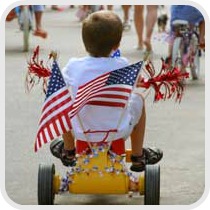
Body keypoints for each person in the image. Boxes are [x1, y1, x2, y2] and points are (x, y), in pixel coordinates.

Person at [50, 10, 163, 172]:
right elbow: (139, 84)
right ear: (116, 45)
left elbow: (59, 83)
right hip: (117, 132)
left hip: (81, 132)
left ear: (85, 43)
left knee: (62, 100)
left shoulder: (74, 65)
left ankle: (68, 151)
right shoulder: (122, 65)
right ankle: (138, 156)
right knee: (139, 99)